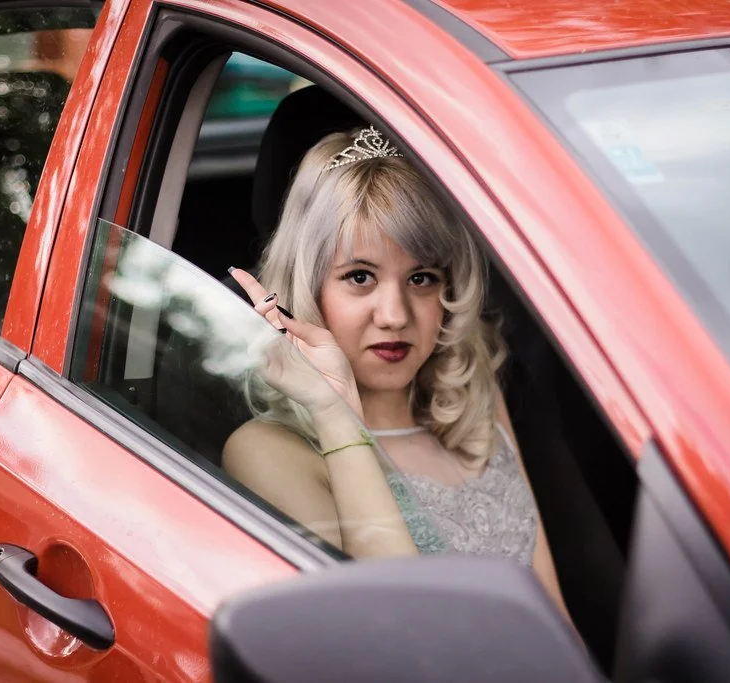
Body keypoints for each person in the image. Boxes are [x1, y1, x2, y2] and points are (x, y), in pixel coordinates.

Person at [224, 125, 567, 613]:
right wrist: (336, 414)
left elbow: (554, 613)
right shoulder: (267, 452)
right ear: (308, 286)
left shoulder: (476, 398)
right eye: (360, 276)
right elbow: (396, 624)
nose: (395, 315)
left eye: (422, 278)